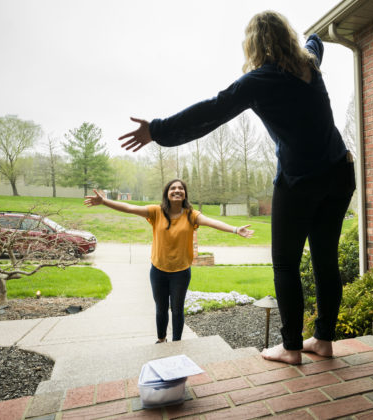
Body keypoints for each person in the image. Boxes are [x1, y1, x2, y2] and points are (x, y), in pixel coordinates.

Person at [118, 11, 355, 364]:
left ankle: (291, 347)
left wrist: (158, 129)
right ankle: (323, 340)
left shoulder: (259, 81)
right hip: (338, 174)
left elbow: (211, 110)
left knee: (286, 265)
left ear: (254, 45)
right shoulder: (311, 64)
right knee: (325, 260)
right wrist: (308, 38)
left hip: (299, 182)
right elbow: (315, 42)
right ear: (286, 36)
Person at [84, 179, 253, 343]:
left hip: (181, 272)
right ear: (167, 193)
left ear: (185, 194)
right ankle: (161, 339)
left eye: (180, 188)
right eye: (173, 188)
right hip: (158, 270)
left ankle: (177, 343)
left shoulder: (191, 215)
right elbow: (129, 207)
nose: (177, 190)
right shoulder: (156, 212)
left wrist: (236, 229)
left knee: (178, 310)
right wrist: (104, 202)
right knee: (161, 308)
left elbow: (212, 222)